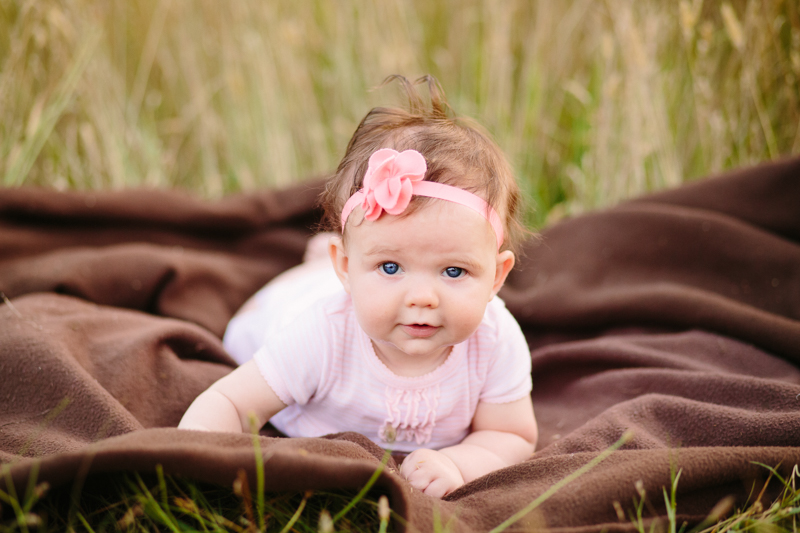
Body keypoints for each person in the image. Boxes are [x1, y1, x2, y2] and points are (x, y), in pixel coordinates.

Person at [179, 75, 538, 498]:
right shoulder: (319, 336)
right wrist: (196, 465)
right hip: (281, 309)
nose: (421, 297)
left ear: (496, 277)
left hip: (349, 281)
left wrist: (458, 462)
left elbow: (511, 435)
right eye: (391, 266)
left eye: (454, 272)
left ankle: (344, 261)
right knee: (305, 288)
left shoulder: (495, 338)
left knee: (349, 273)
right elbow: (229, 403)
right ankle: (319, 264)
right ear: (346, 268)